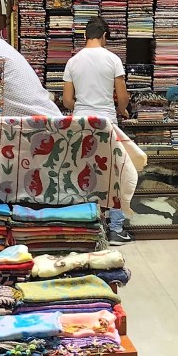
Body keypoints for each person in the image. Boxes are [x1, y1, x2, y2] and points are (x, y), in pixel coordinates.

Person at [63, 17, 132, 244]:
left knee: (82, 173)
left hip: (80, 122)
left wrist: (83, 106)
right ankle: (116, 229)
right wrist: (122, 110)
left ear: (85, 36)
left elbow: (66, 101)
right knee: (114, 175)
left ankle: (87, 227)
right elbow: (122, 97)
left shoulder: (73, 62)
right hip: (107, 122)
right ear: (104, 36)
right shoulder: (113, 59)